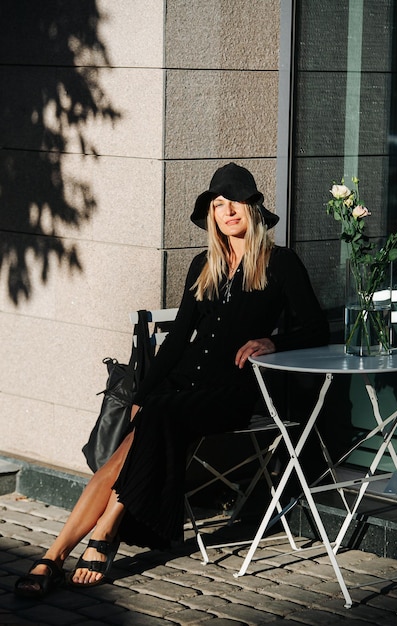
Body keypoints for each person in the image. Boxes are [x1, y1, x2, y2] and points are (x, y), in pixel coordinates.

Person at [15, 162, 329, 598]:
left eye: (235, 201)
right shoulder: (204, 264)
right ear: (212, 217)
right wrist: (140, 396)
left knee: (154, 423)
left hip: (233, 392)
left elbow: (317, 329)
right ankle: (55, 554)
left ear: (253, 209)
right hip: (180, 388)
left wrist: (271, 343)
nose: (228, 211)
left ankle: (107, 528)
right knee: (120, 457)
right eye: (219, 205)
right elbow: (178, 340)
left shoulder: (281, 264)